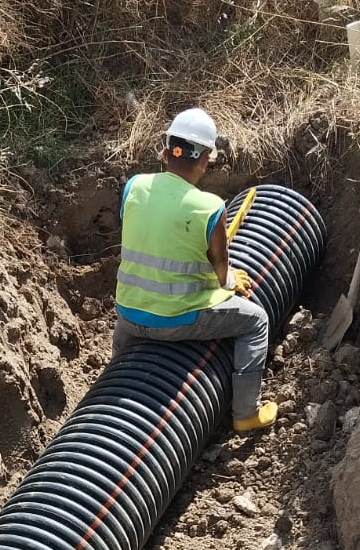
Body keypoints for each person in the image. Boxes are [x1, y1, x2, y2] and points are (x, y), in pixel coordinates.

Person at [113, 107, 277, 432]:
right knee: (257, 322)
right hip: (178, 321)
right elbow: (220, 268)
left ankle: (116, 380)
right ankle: (246, 413)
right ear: (204, 160)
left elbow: (151, 235)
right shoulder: (211, 206)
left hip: (128, 316)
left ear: (166, 150)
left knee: (124, 339)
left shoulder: (134, 186)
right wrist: (230, 281)